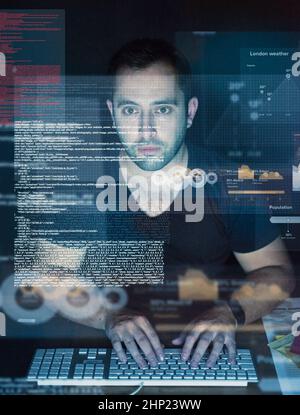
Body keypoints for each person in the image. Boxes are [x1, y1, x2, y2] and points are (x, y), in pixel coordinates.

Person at [99, 38, 295, 370]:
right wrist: (108, 315)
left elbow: (278, 274)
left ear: (189, 112)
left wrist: (230, 313)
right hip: (99, 356)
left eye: (162, 109)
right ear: (112, 113)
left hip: (207, 355)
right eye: (130, 110)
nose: (146, 131)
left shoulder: (230, 182)